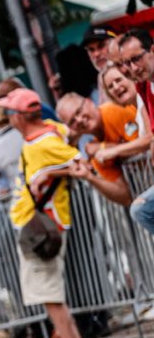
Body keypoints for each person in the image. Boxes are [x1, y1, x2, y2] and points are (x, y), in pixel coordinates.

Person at [0, 88, 92, 338]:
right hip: (38, 223)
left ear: (19, 117)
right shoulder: (51, 131)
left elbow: (79, 163)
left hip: (44, 225)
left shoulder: (44, 141)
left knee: (50, 292)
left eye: (10, 113)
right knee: (50, 292)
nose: (8, 118)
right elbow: (68, 139)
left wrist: (48, 173)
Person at [56, 92, 135, 206]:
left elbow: (147, 145)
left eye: (78, 111)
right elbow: (125, 197)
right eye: (72, 121)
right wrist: (89, 177)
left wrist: (105, 148)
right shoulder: (94, 149)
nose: (78, 120)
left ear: (89, 102)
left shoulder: (113, 110)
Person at [115, 29, 154, 236]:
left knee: (142, 209)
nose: (132, 68)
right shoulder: (144, 87)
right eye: (126, 63)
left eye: (136, 59)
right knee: (141, 210)